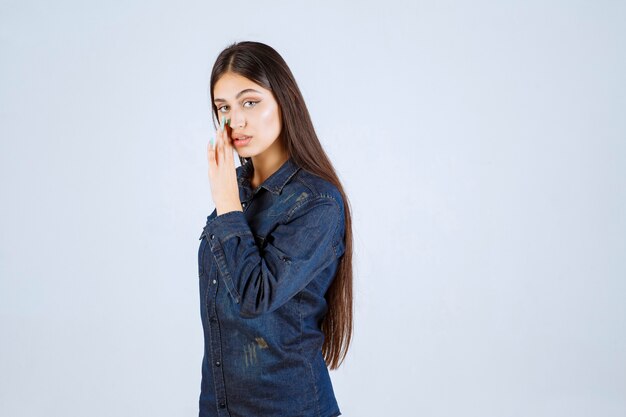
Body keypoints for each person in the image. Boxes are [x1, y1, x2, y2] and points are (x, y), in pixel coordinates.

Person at [197, 41, 354, 417]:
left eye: (250, 102)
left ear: (284, 101)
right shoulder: (235, 190)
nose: (236, 121)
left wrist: (226, 205)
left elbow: (254, 298)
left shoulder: (318, 203)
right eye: (224, 108)